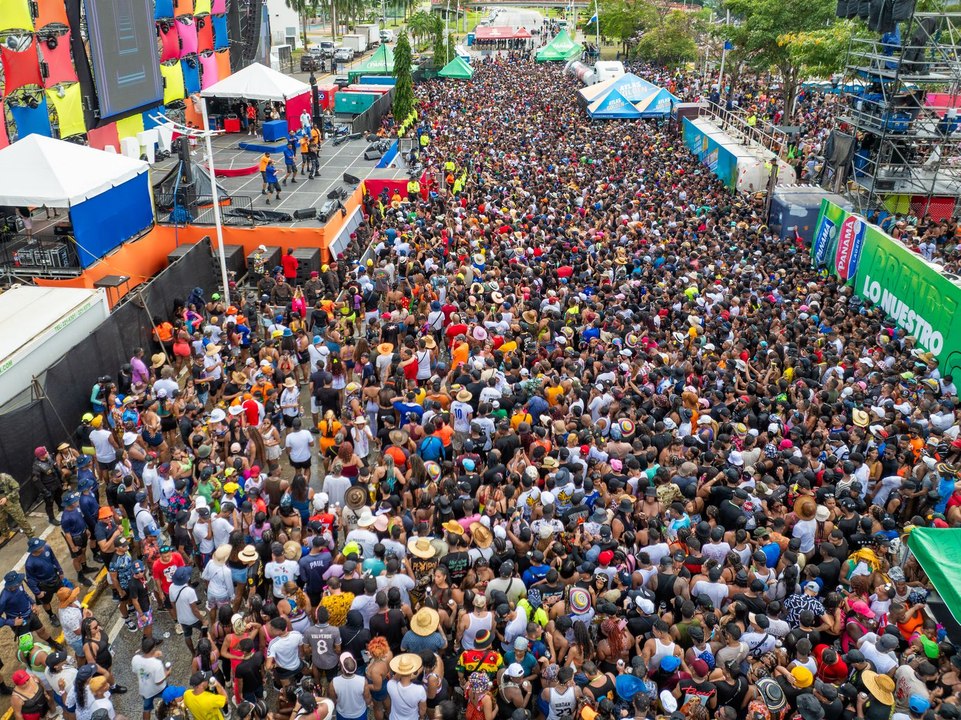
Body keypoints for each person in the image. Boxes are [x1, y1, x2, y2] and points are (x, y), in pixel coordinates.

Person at [131, 637, 169, 720]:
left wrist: (153, 656)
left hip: (146, 690)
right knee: (169, 699)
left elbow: (135, 671)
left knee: (146, 709)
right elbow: (158, 681)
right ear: (154, 649)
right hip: (160, 689)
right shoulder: (157, 664)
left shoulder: (135, 659)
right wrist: (167, 673)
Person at [0, 472, 34, 538]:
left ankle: (31, 536)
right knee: (1, 521)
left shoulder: (6, 478)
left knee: (20, 519)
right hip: (1, 503)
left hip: (11, 502)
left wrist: (7, 498)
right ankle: (6, 535)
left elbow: (16, 488)